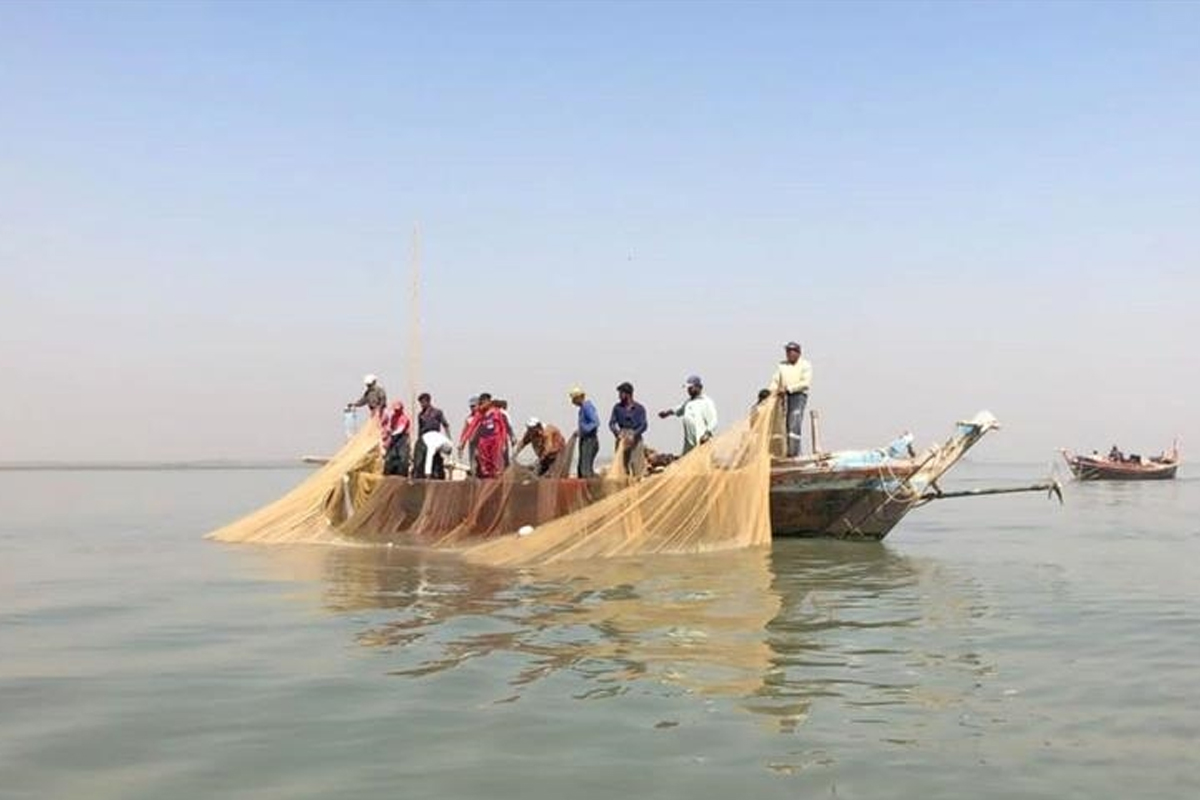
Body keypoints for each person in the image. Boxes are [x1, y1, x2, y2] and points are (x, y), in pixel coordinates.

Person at [769, 342, 813, 457]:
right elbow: (775, 381)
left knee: (794, 422)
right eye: (787, 352)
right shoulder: (782, 365)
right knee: (782, 424)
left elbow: (805, 383)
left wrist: (788, 389)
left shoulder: (805, 365)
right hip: (783, 396)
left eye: (791, 351)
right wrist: (770, 392)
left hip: (798, 395)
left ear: (798, 353)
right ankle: (782, 452)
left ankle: (794, 453)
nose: (789, 354)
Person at [657, 375, 718, 455]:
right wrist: (667, 413)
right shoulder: (688, 402)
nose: (689, 390)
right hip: (689, 443)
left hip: (701, 439)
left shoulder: (706, 402)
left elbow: (714, 420)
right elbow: (679, 409)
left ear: (699, 387)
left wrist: (707, 433)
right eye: (688, 388)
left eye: (691, 388)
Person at [458, 393, 512, 479]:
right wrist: (463, 441)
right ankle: (487, 479)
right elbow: (471, 427)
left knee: (496, 463)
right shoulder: (479, 414)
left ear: (488, 402)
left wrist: (503, 442)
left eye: (482, 403)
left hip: (495, 439)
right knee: (485, 464)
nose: (480, 406)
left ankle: (497, 479)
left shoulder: (497, 412)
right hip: (484, 441)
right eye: (480, 403)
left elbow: (503, 427)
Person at [609, 381, 648, 475]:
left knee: (637, 466)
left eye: (621, 393)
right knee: (621, 466)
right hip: (622, 437)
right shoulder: (617, 408)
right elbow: (611, 423)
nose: (619, 395)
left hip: (636, 438)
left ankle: (637, 486)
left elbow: (644, 425)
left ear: (628, 394)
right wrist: (617, 433)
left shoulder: (639, 408)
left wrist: (634, 434)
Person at [412, 393, 451, 479]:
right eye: (420, 403)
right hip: (424, 438)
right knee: (419, 459)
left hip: (434, 438)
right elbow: (420, 428)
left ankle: (436, 476)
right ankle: (417, 476)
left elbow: (445, 425)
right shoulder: (421, 415)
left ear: (428, 401)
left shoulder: (437, 412)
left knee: (435, 459)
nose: (421, 405)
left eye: (423, 402)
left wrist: (449, 438)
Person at [570, 386, 600, 478]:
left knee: (585, 469)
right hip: (585, 440)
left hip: (590, 441)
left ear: (579, 397)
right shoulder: (582, 409)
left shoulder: (587, 407)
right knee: (581, 467)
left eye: (574, 399)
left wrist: (584, 430)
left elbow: (596, 422)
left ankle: (589, 488)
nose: (573, 402)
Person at [382, 400, 412, 476]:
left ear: (402, 409)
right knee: (389, 458)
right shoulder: (393, 417)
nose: (396, 411)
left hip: (402, 439)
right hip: (394, 439)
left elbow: (400, 429)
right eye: (395, 410)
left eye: (398, 409)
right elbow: (391, 428)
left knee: (402, 458)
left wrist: (391, 434)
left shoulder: (404, 418)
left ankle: (402, 476)